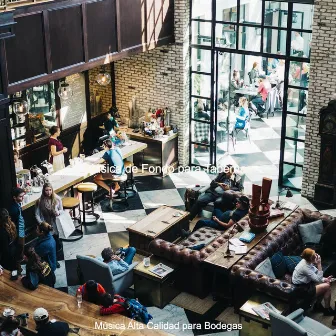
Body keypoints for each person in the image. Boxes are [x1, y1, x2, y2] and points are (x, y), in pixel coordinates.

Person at [292, 248, 335, 316]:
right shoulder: (304, 267)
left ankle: (317, 305)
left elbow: (316, 273)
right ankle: (327, 310)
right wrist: (319, 263)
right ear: (310, 258)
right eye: (314, 256)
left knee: (326, 283)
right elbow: (317, 279)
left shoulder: (307, 261)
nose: (316, 256)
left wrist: (325, 279)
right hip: (302, 289)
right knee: (327, 286)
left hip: (306, 283)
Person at [35, 183, 63, 256]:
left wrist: (58, 212)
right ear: (43, 191)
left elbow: (61, 210)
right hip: (45, 223)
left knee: (56, 237)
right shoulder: (40, 201)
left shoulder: (57, 198)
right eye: (46, 190)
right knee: (48, 239)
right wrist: (42, 223)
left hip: (55, 222)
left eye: (50, 190)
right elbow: (37, 214)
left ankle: (56, 252)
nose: (49, 192)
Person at [9, 188, 26, 263]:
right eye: (20, 196)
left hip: (21, 227)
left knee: (21, 244)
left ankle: (21, 255)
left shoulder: (17, 204)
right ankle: (19, 259)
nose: (22, 198)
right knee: (19, 245)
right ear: (14, 197)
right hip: (18, 230)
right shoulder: (13, 209)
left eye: (23, 196)